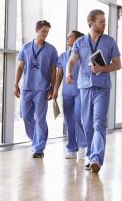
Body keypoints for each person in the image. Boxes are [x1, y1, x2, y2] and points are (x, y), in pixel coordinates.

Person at [66, 9, 121, 173]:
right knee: (87, 124)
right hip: (85, 87)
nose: (104, 24)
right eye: (101, 21)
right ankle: (91, 156)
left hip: (102, 88)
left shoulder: (110, 42)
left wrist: (103, 68)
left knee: (98, 123)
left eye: (104, 21)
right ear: (91, 22)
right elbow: (72, 60)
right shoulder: (80, 42)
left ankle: (97, 157)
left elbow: (117, 64)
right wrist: (69, 73)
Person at [13, 20, 58, 158]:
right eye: (43, 31)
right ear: (37, 30)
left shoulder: (51, 49)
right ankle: (36, 140)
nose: (45, 34)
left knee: (40, 118)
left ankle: (39, 147)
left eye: (47, 32)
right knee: (26, 116)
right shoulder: (26, 48)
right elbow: (20, 67)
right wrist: (16, 84)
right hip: (27, 87)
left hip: (42, 88)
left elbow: (53, 71)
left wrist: (52, 87)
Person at [53, 30, 87, 159]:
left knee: (78, 117)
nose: (67, 38)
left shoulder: (83, 55)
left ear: (78, 40)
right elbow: (59, 74)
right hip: (67, 93)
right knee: (68, 120)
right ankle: (72, 148)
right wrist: (55, 89)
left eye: (70, 37)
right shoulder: (62, 56)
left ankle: (83, 145)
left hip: (80, 91)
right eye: (67, 36)